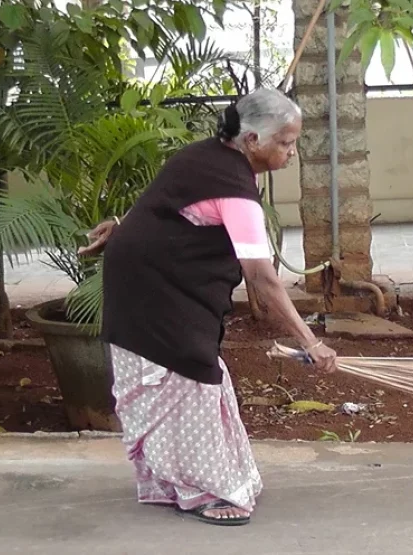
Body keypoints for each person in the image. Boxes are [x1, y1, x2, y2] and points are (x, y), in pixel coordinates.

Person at [78, 88, 338, 527]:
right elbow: (261, 276)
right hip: (152, 290)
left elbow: (166, 206)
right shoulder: (233, 189)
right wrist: (310, 341)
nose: (292, 152)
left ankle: (178, 480)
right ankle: (202, 487)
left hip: (159, 281)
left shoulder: (208, 157)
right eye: (286, 142)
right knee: (187, 374)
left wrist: (123, 227)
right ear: (252, 140)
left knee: (192, 376)